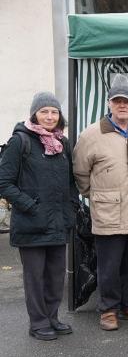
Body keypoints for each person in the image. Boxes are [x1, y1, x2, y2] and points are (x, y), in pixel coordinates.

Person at [73, 85, 128, 331]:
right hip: (108, 213)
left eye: (126, 102)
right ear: (109, 104)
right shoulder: (91, 135)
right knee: (108, 266)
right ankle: (108, 310)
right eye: (117, 101)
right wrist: (99, 195)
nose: (122, 105)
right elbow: (80, 174)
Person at [0, 92, 75, 340]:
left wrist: (71, 207)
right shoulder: (20, 141)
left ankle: (52, 317)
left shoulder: (63, 143)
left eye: (54, 112)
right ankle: (38, 322)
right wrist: (31, 206)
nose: (50, 116)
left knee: (55, 277)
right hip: (31, 224)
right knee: (35, 278)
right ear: (35, 114)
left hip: (58, 223)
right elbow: (4, 182)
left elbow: (70, 181)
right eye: (44, 111)